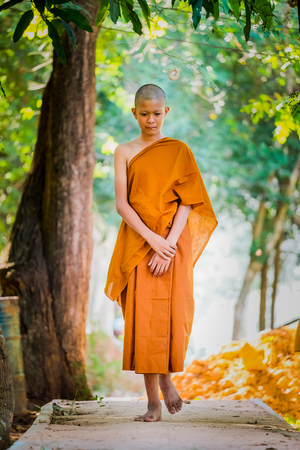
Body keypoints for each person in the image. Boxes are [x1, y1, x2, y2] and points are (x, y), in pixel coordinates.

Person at [104, 84, 217, 422]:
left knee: (172, 313)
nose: (150, 120)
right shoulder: (124, 151)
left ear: (165, 112)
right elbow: (123, 205)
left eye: (156, 113)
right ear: (134, 113)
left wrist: (167, 246)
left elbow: (188, 201)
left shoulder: (178, 150)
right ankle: (153, 402)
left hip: (173, 243)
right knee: (141, 319)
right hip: (140, 240)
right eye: (144, 113)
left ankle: (168, 379)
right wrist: (152, 240)